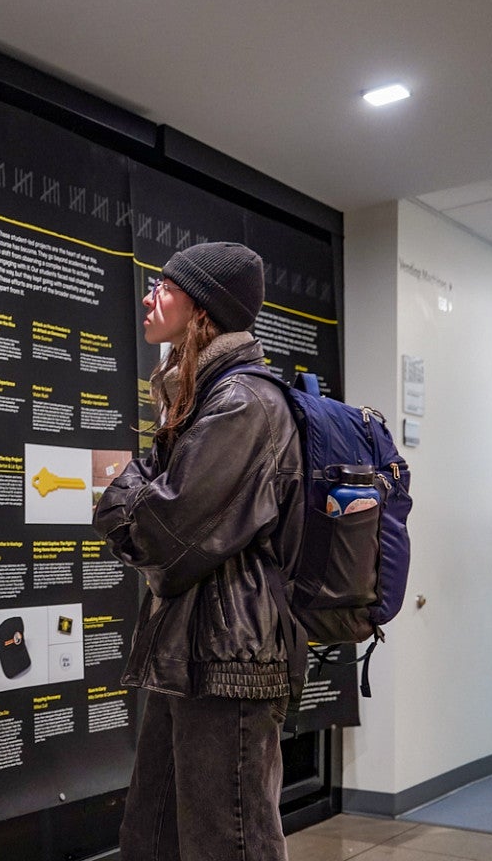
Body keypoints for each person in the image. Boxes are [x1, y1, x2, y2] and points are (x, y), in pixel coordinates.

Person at [93, 242, 305, 861]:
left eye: (164, 285)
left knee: (228, 844)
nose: (149, 296)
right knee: (150, 841)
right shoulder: (201, 396)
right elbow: (151, 508)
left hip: (230, 664)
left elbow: (161, 534)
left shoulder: (243, 404)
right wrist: (139, 491)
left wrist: (128, 490)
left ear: (203, 308)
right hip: (190, 656)